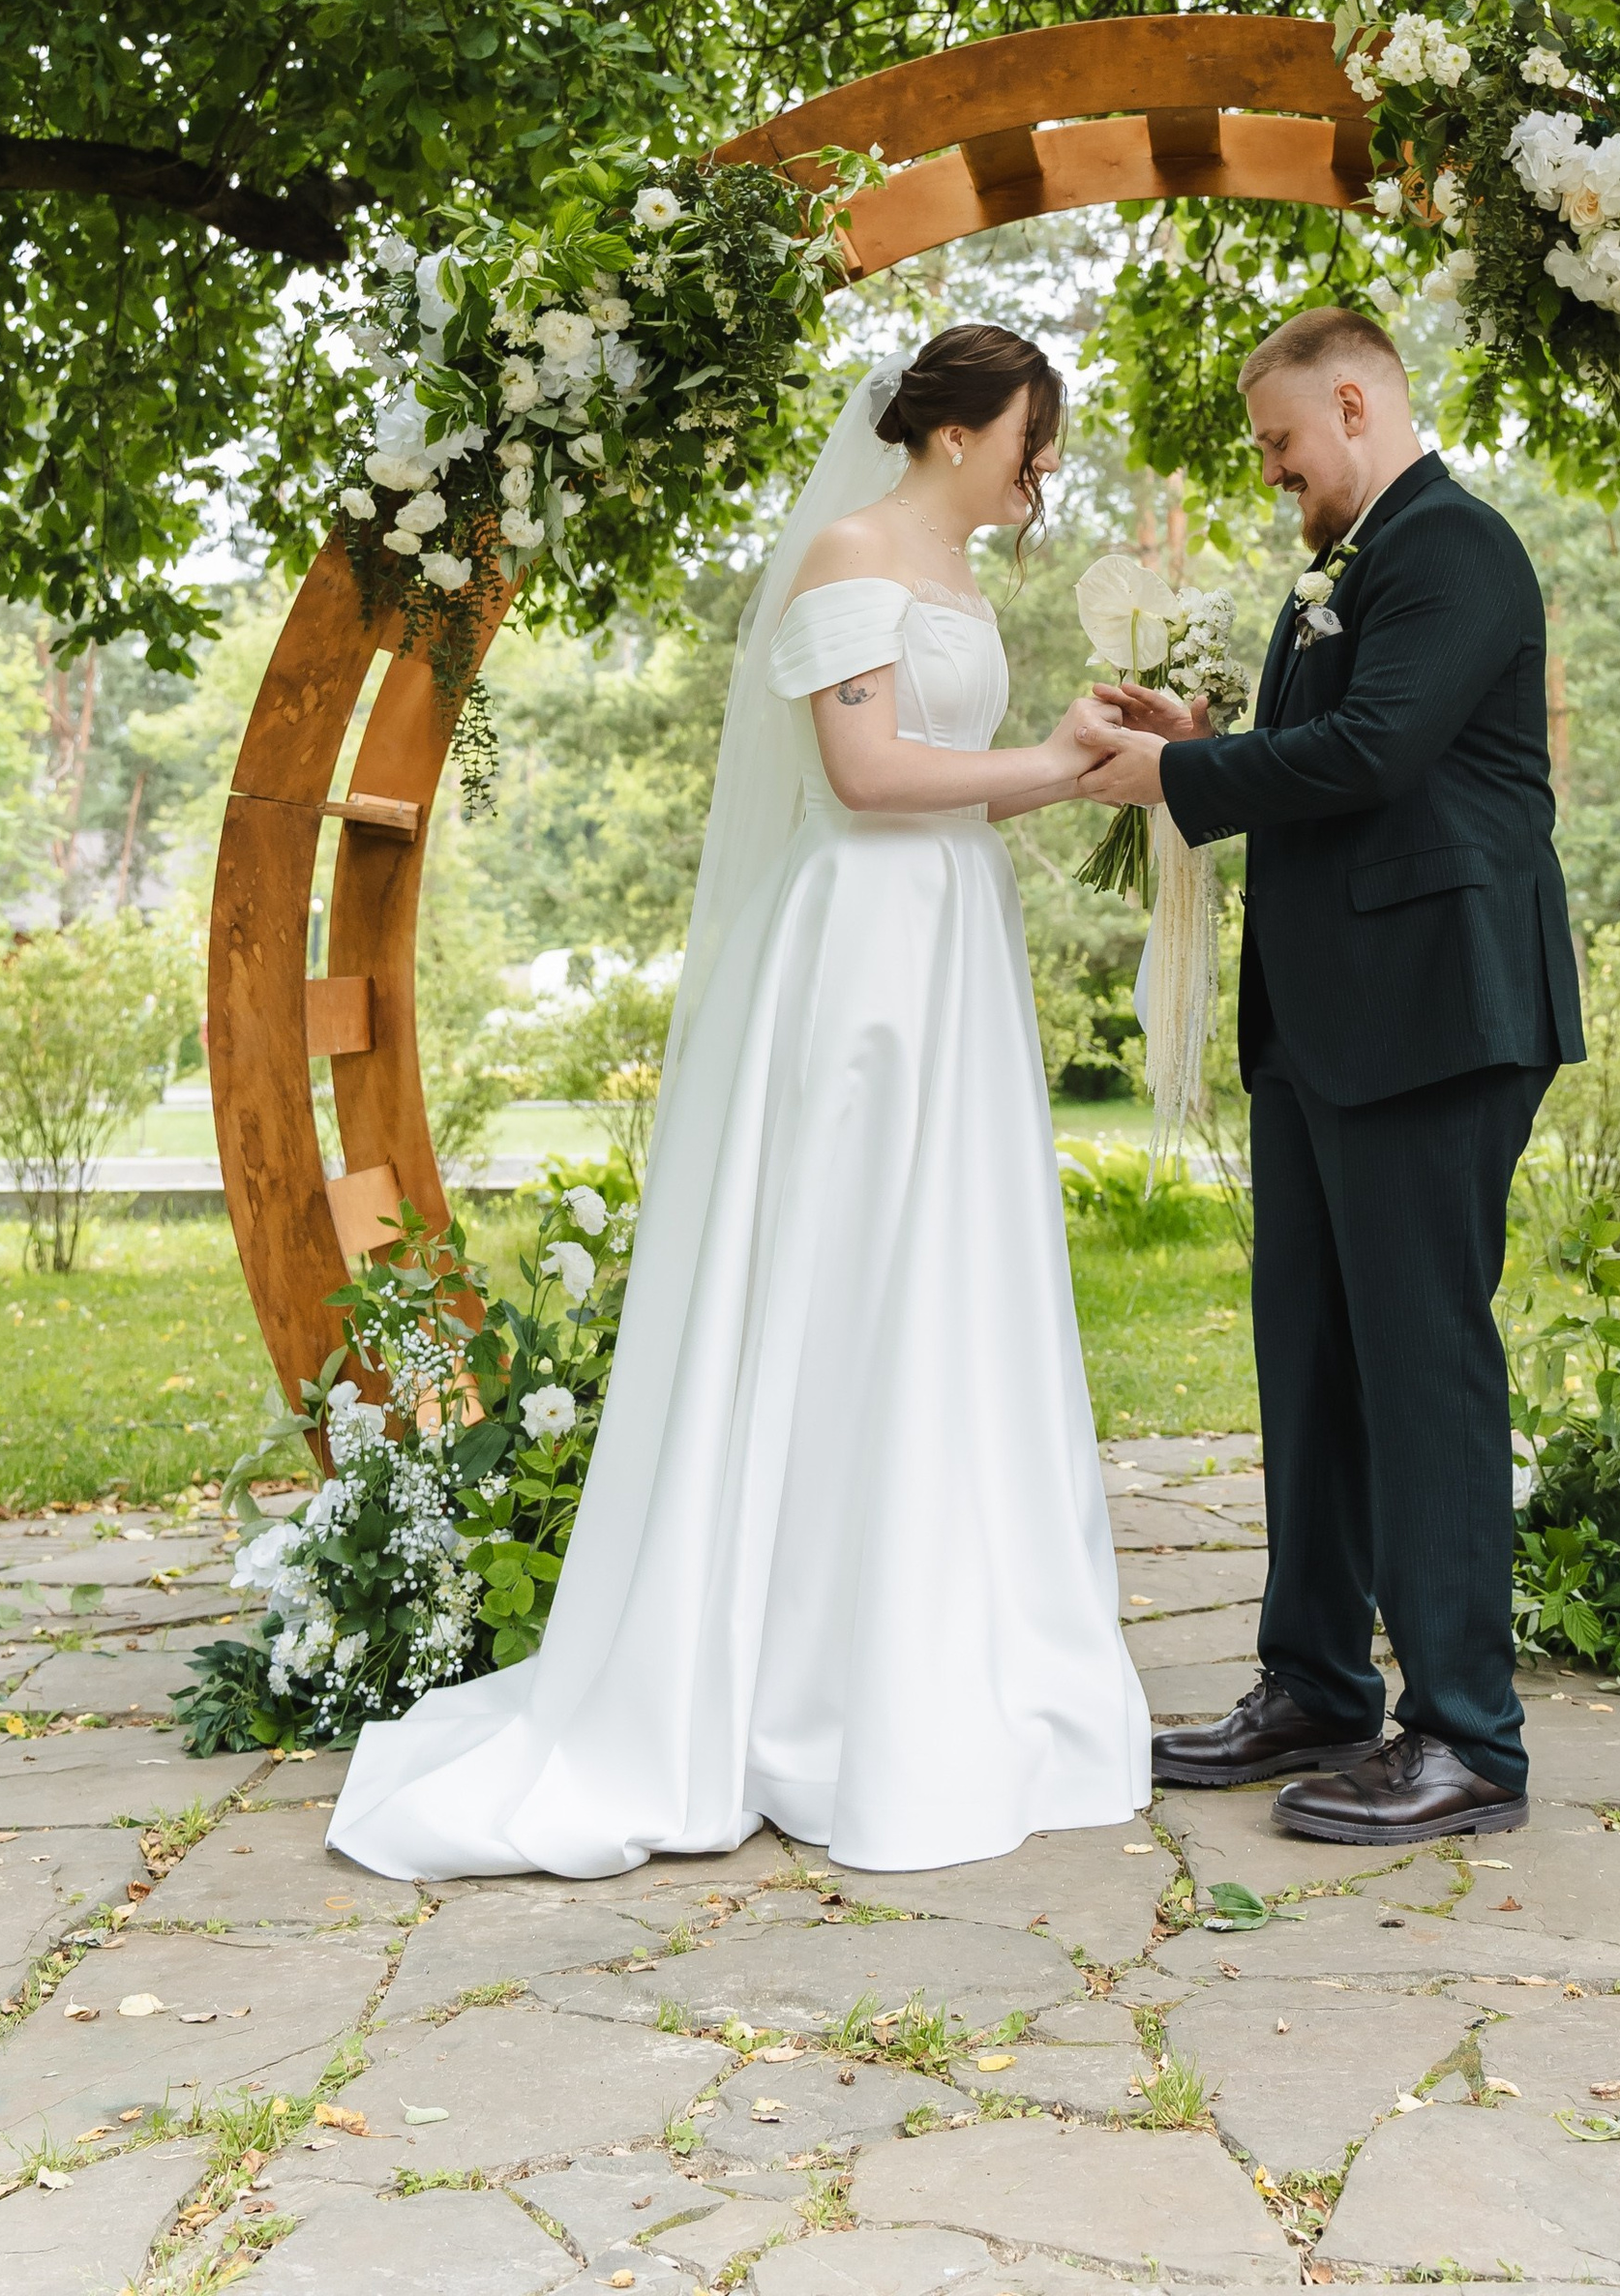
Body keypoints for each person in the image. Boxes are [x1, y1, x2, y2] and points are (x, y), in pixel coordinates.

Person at [329, 324, 1149, 1881]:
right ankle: (792, 1680)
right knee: (843, 1273)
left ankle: (933, 1639)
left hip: (951, 937)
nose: (1044, 469)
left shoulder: (958, 576)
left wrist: (1087, 764)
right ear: (963, 429)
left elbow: (960, 766)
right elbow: (863, 775)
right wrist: (1039, 760)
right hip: (862, 949)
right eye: (1034, 437)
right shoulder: (851, 550)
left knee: (942, 1276)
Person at [1082, 305, 1580, 1844]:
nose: (1277, 475)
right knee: (1306, 1360)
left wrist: (1176, 775)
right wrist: (1206, 736)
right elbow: (1332, 756)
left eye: (1285, 445)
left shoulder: (1455, 547)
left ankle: (1467, 1742)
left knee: (1422, 1371)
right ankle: (1312, 1683)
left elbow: (1374, 753)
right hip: (1327, 1027)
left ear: (1354, 404)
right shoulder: (1356, 566)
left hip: (1437, 1017)